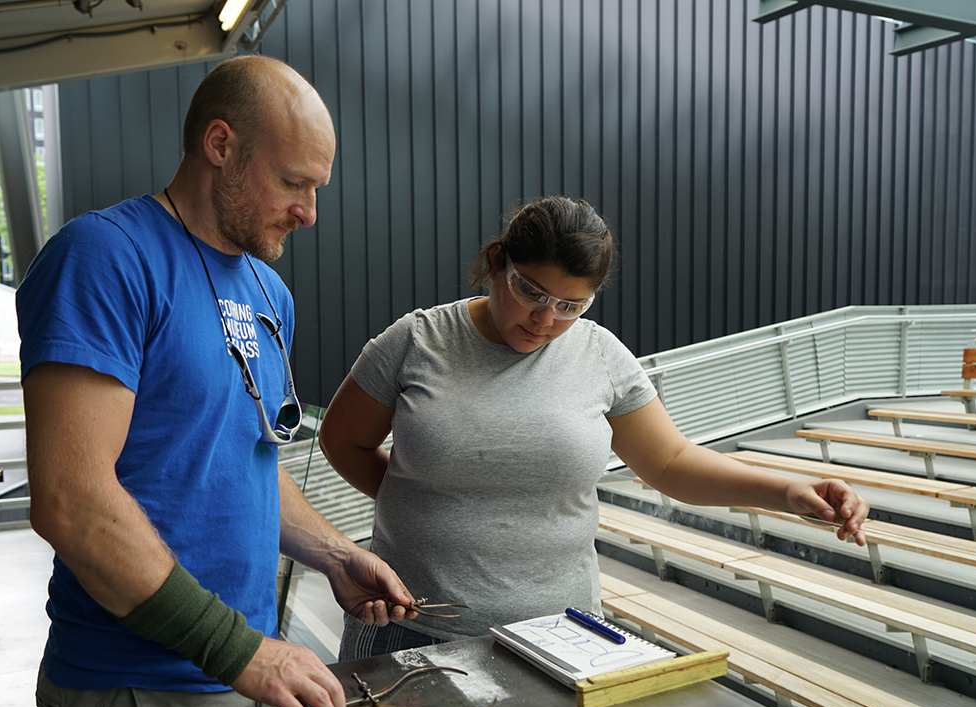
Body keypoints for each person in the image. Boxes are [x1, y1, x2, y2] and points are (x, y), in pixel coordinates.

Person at [16, 55, 417, 707]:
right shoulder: (106, 257)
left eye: (317, 189)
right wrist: (242, 653)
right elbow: (71, 501)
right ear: (221, 145)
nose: (310, 212)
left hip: (252, 674)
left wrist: (334, 554)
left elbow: (243, 466)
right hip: (138, 691)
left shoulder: (269, 293)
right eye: (294, 182)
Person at [318, 195, 870, 660]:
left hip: (562, 635)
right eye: (530, 291)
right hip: (409, 627)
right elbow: (342, 440)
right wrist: (426, 496)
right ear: (496, 263)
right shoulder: (418, 341)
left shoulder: (601, 356)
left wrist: (789, 489)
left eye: (570, 306)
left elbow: (671, 463)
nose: (544, 319)